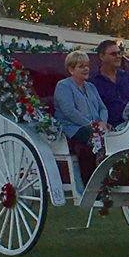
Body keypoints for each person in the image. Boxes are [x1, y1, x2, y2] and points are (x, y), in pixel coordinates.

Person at [54, 50, 110, 186]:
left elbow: (103, 108)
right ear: (71, 69)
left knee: (115, 136)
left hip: (97, 127)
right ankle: (91, 185)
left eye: (87, 66)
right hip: (74, 129)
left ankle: (111, 179)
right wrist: (91, 125)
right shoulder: (63, 86)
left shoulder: (91, 87)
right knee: (89, 139)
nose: (86, 69)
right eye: (81, 66)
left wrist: (102, 122)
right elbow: (69, 111)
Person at [91, 39, 129, 128]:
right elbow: (93, 110)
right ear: (101, 56)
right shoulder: (93, 83)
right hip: (110, 129)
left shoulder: (128, 77)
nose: (118, 56)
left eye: (119, 53)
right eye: (113, 54)